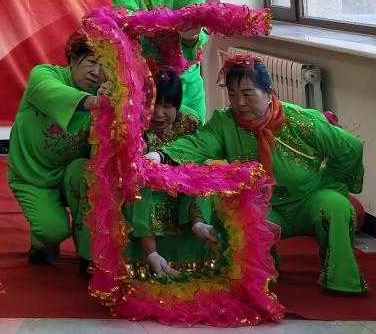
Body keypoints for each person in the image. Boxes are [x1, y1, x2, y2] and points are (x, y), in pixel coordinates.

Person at [152, 56, 366, 295]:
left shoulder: (299, 119)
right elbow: (200, 143)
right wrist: (160, 155)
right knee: (238, 213)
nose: (239, 102)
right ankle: (265, 269)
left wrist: (329, 182)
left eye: (247, 93)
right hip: (265, 206)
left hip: (309, 199)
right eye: (232, 94)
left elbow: (351, 148)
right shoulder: (225, 122)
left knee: (336, 206)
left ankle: (340, 280)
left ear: (268, 92)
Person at [68, 67, 216, 276]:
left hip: (180, 188)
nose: (158, 113)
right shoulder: (129, 122)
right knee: (135, 180)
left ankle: (198, 225)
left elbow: (197, 154)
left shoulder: (190, 122)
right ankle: (149, 255)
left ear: (178, 105)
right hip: (140, 186)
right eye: (152, 104)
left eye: (167, 106)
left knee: (206, 168)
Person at [7, 31, 108, 266]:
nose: (96, 72)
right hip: (33, 176)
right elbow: (48, 90)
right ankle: (42, 241)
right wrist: (93, 102)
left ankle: (87, 255)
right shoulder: (44, 74)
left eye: (104, 66)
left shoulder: (105, 95)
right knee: (53, 231)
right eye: (91, 62)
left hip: (69, 173)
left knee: (87, 174)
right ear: (72, 59)